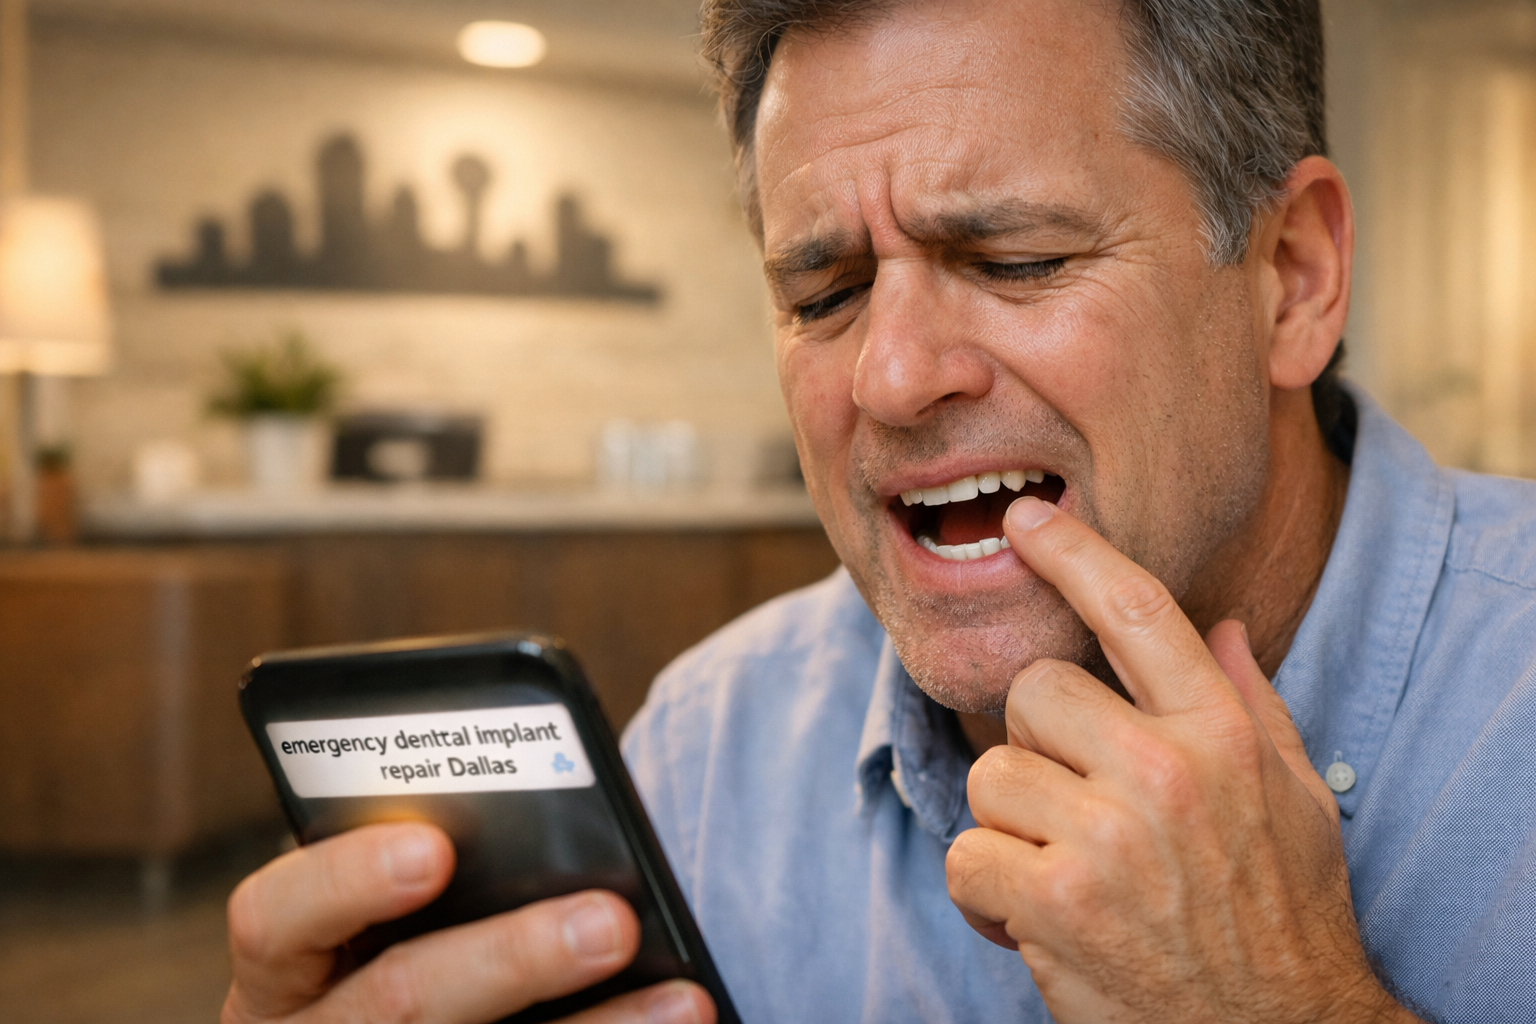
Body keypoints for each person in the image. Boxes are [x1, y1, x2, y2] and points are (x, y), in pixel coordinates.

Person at [219, 1, 1536, 1022]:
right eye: (823, 293)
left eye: (1014, 261)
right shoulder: (707, 746)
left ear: (1294, 278)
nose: (893, 378)